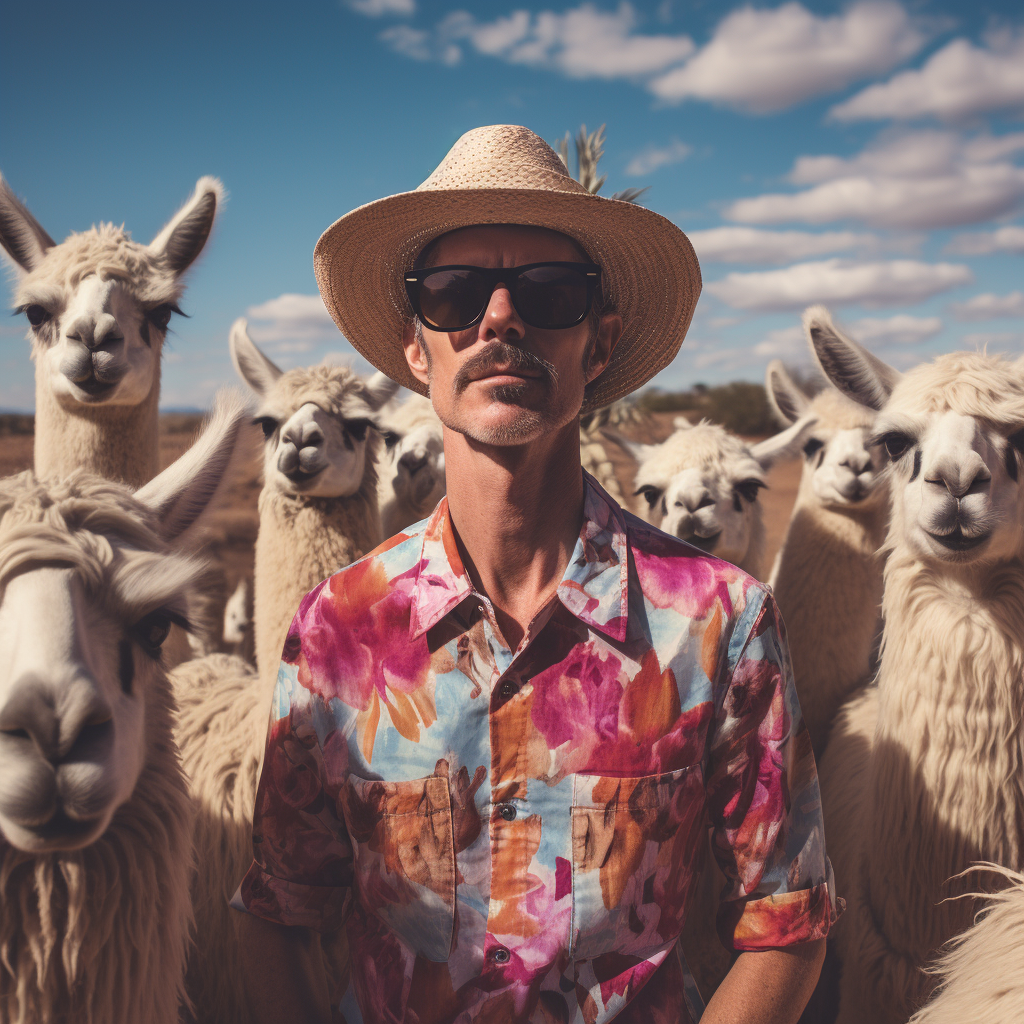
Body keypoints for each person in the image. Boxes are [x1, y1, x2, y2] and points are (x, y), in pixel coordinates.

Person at [232, 124, 836, 1024]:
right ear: (414, 347)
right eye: (454, 293)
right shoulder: (338, 632)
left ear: (597, 347)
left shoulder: (720, 622)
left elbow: (785, 918)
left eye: (553, 295)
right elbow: (279, 911)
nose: (502, 318)